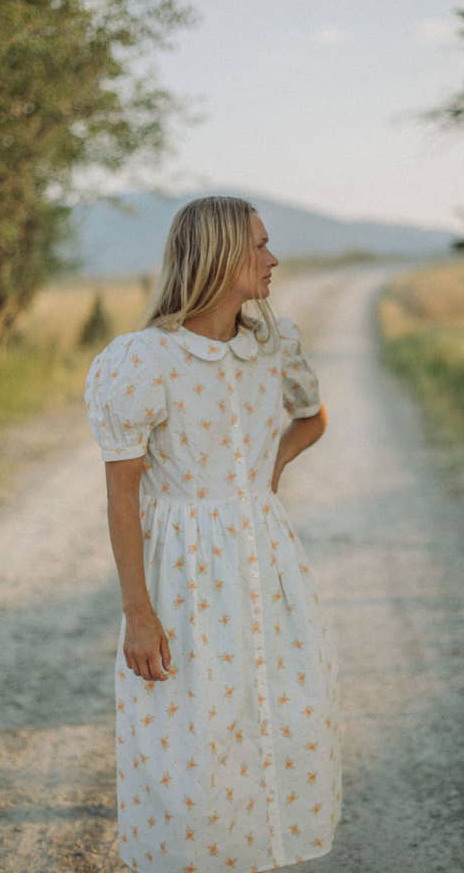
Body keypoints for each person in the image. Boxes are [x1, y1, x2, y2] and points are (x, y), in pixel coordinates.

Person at [83, 195, 343, 873]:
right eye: (259, 245)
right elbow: (121, 491)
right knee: (188, 740)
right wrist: (138, 612)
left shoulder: (272, 344)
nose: (273, 258)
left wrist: (264, 475)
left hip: (266, 558)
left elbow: (310, 420)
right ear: (223, 256)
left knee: (279, 717)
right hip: (183, 572)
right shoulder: (142, 360)